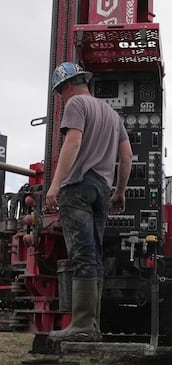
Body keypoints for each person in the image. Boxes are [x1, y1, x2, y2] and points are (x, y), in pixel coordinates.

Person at [44, 62, 133, 342]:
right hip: (102, 190)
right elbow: (127, 156)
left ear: (67, 85)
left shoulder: (76, 105)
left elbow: (72, 142)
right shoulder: (112, 114)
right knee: (94, 254)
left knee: (82, 254)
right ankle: (91, 325)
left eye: (60, 92)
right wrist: (119, 192)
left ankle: (81, 325)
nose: (61, 97)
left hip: (78, 187)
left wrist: (55, 184)